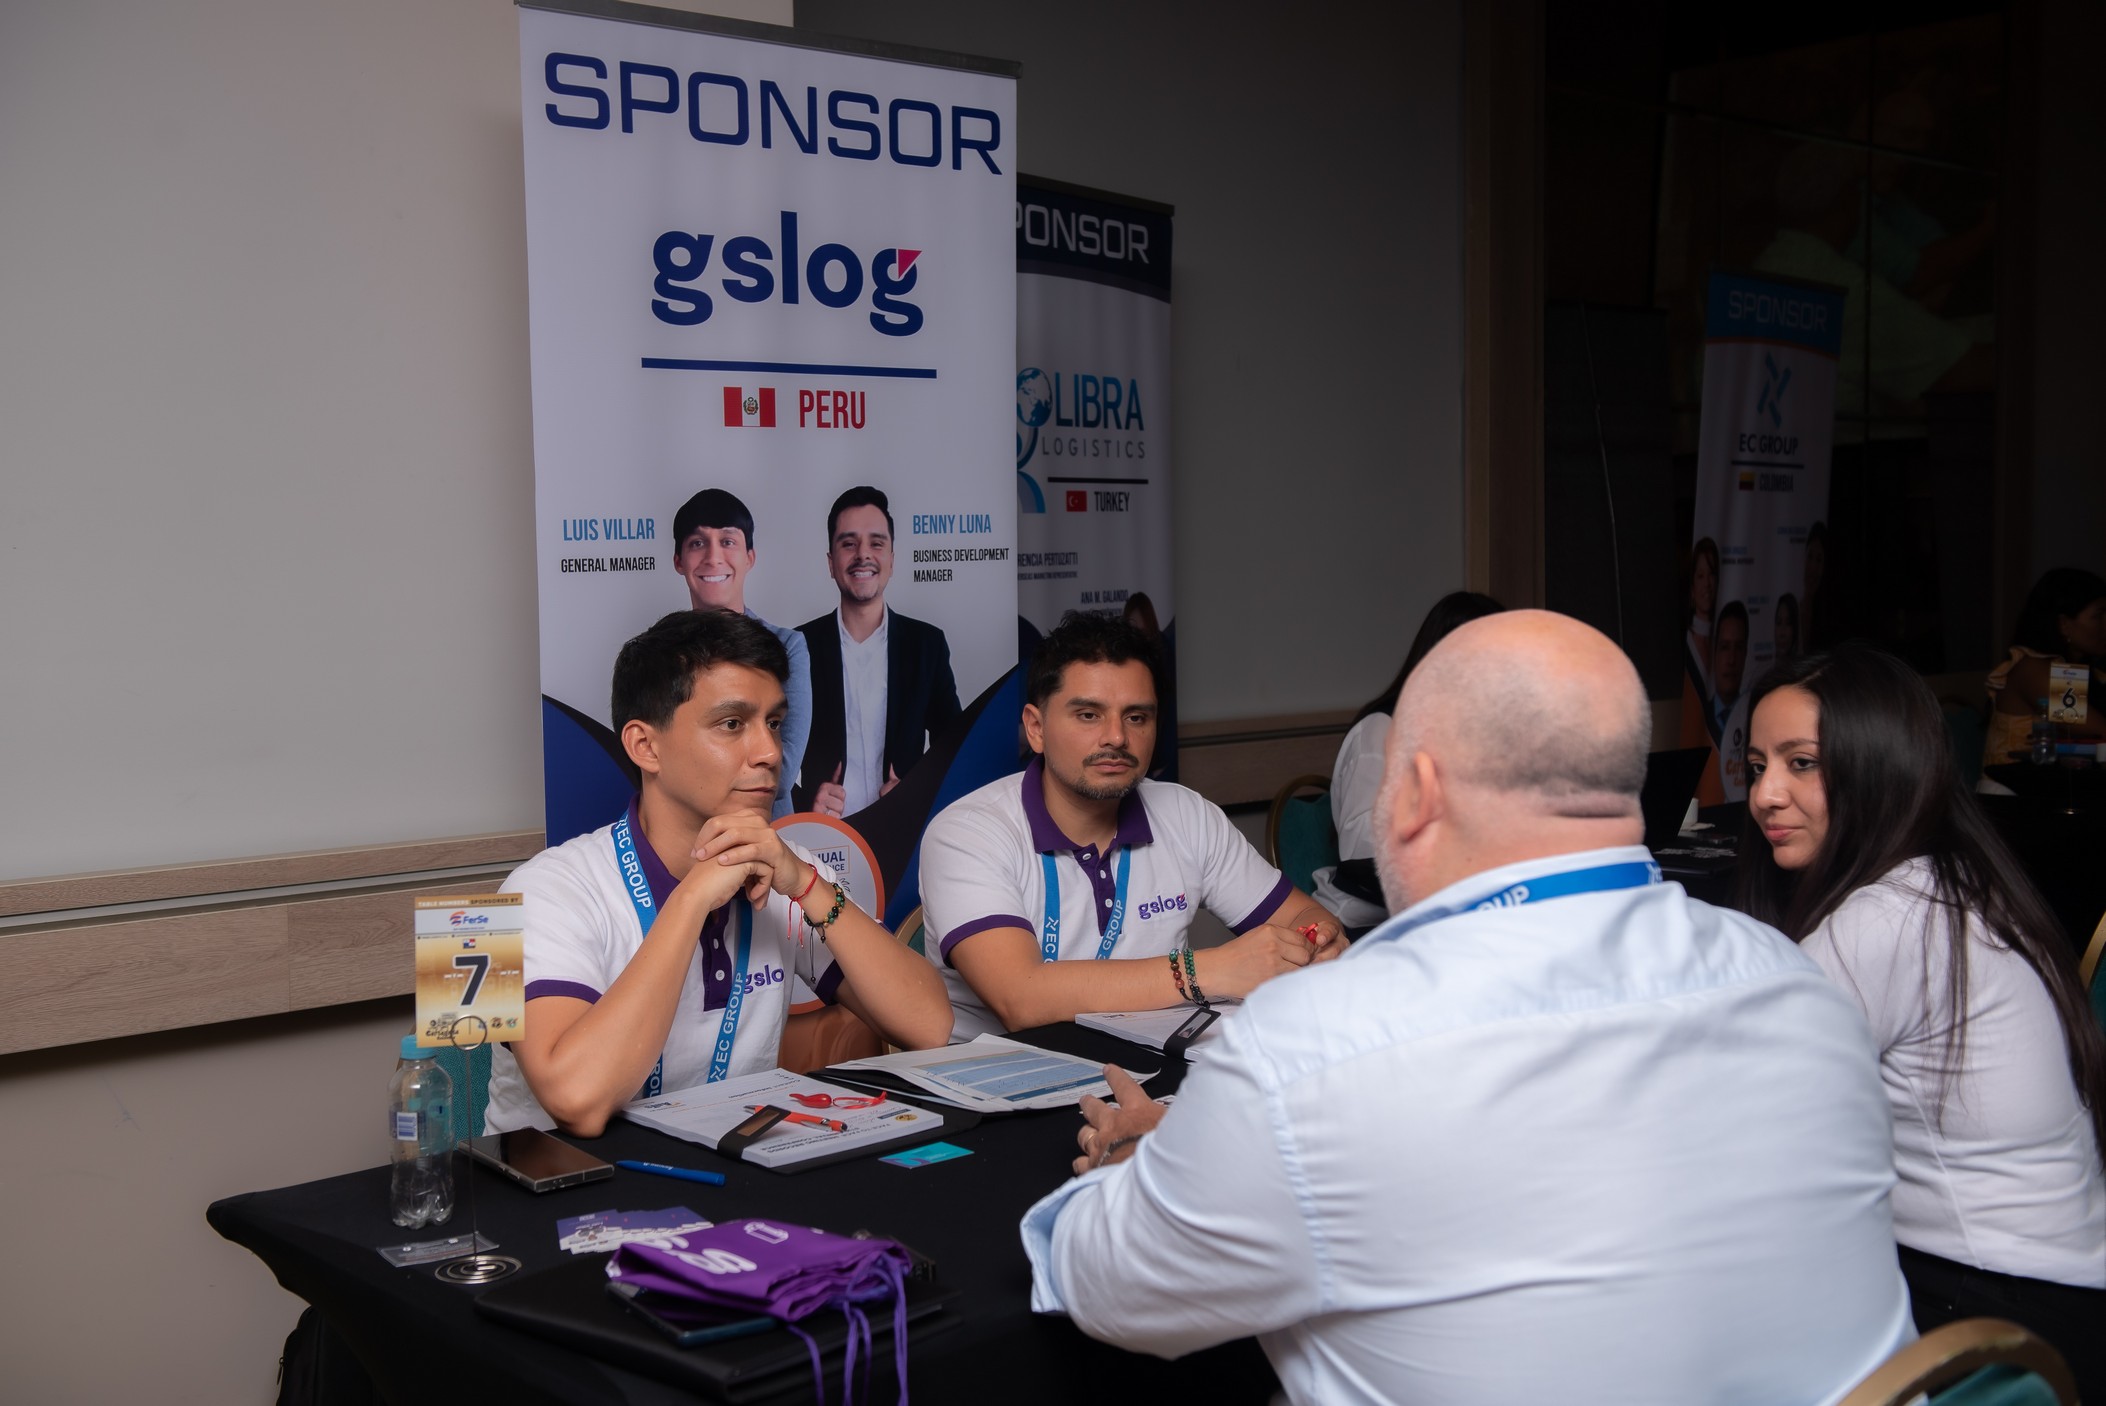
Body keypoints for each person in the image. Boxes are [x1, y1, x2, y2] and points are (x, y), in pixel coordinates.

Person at [1021, 611, 1913, 1403]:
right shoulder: (1800, 988)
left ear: (1416, 792)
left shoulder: (1316, 1049)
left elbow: (1109, 1291)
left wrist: (1146, 1166)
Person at [1743, 646, 2106, 1396]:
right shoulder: (1951, 875)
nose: (1765, 795)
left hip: (2000, 1315)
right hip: (2063, 1294)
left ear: (1879, 767)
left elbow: (1737, 1117)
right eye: (1756, 766)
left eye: (1801, 763)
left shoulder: (1884, 919)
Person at [483, 611, 951, 1136]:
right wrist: (690, 900)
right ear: (645, 746)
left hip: (727, 1172)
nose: (770, 752)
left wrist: (806, 885)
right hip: (571, 1185)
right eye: (732, 724)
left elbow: (930, 1026)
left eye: (773, 723)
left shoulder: (787, 870)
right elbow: (577, 1102)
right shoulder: (539, 891)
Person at [918, 611, 1345, 1042]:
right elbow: (1020, 999)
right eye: (1089, 715)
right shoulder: (968, 832)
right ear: (1036, 728)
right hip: (999, 1073)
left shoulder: (1186, 813)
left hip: (1148, 1065)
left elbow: (1305, 916)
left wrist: (1319, 940)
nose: (1117, 737)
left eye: (1136, 717)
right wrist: (1209, 970)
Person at [1313, 590, 1502, 931]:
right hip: (1365, 923)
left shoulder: (1476, 732)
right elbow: (1359, 845)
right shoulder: (1380, 730)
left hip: (1442, 916)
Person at [794, 486, 960, 817]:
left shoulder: (926, 645)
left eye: (876, 543)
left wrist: (917, 792)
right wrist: (806, 803)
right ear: (831, 562)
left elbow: (954, 749)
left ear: (891, 560)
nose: (863, 555)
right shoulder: (798, 647)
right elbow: (768, 756)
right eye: (848, 543)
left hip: (901, 829)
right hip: (821, 835)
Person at [671, 488, 809, 819]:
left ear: (750, 557)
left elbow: (782, 772)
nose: (713, 557)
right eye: (697, 543)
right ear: (678, 561)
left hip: (767, 831)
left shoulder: (787, 646)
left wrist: (698, 767)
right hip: (686, 832)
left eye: (727, 541)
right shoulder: (664, 653)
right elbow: (661, 762)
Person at [1981, 568, 2106, 772]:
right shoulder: (2035, 669)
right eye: (2099, 615)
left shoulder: (2083, 670)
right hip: (2013, 786)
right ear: (2064, 624)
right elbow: (2100, 731)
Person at [1710, 598, 1752, 797]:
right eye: (1725, 647)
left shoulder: (1754, 721)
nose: (1731, 660)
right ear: (1714, 653)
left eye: (1738, 648)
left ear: (1746, 654)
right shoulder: (1698, 721)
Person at [1683, 536, 1720, 685]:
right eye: (1700, 576)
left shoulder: (1724, 643)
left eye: (1711, 574)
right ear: (1692, 588)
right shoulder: (1686, 645)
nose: (1707, 583)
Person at [1772, 590, 1802, 671]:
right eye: (1778, 622)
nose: (1782, 633)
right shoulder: (1769, 674)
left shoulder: (1803, 674)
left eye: (1788, 623)